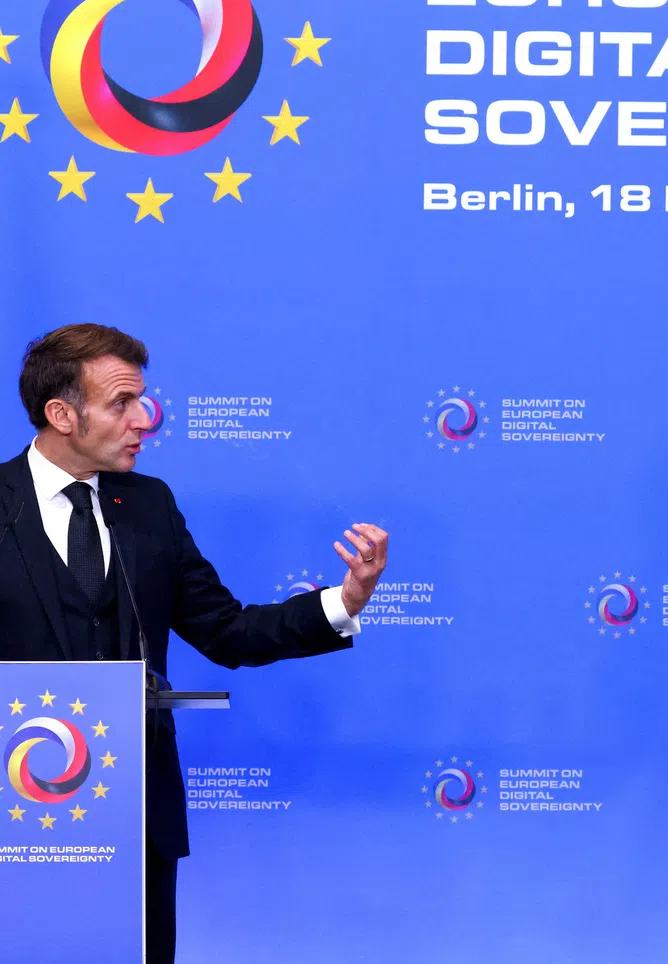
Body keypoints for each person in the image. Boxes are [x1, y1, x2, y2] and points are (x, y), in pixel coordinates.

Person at [0, 323, 389, 964]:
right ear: (61, 414)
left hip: (135, 811)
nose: (142, 420)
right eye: (121, 403)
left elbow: (227, 630)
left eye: (142, 400)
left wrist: (343, 602)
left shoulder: (148, 505)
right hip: (17, 813)